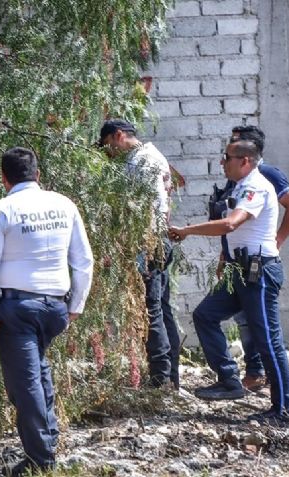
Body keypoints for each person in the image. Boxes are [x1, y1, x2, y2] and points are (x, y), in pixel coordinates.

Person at [0, 147, 94, 475]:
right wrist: (75, 305)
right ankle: (47, 443)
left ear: (3, 178)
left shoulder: (1, 211)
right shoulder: (64, 205)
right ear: (38, 174)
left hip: (19, 309)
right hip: (55, 309)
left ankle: (41, 461)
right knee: (38, 371)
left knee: (25, 386)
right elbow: (83, 261)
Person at [170, 139, 289, 426]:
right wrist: (224, 259)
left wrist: (187, 230)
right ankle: (228, 380)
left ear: (245, 161)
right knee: (205, 315)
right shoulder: (240, 186)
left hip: (258, 272)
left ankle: (283, 411)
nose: (222, 162)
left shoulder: (256, 186)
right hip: (239, 271)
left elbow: (230, 225)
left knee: (268, 342)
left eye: (226, 157)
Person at [208, 125, 289, 392]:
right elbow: (231, 224)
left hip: (257, 265)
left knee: (261, 331)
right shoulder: (237, 179)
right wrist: (224, 257)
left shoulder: (264, 176)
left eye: (235, 145)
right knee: (231, 317)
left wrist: (277, 241)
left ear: (248, 154)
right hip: (236, 262)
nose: (227, 153)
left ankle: (264, 378)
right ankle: (250, 375)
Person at [98, 119, 180, 389]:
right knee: (161, 308)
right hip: (156, 241)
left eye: (108, 145)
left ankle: (161, 379)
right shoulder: (147, 157)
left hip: (149, 244)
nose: (108, 153)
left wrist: (139, 247)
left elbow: (145, 210)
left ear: (118, 136)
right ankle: (169, 376)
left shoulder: (143, 161)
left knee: (150, 310)